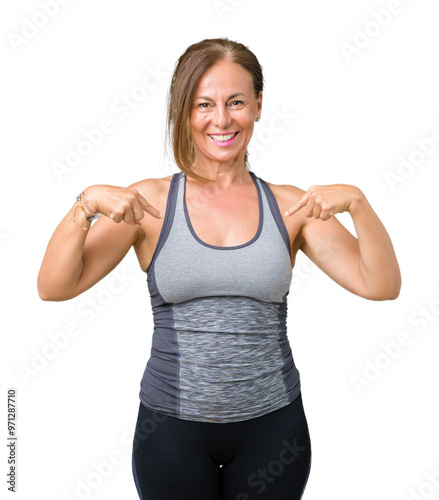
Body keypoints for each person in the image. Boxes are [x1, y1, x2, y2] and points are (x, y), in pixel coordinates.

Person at [37, 37, 401, 500]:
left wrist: (360, 205)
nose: (221, 119)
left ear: (259, 106)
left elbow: (382, 284)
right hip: (171, 431)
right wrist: (85, 205)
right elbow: (54, 286)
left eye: (236, 103)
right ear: (184, 111)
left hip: (274, 430)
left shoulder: (293, 208)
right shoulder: (149, 205)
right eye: (203, 104)